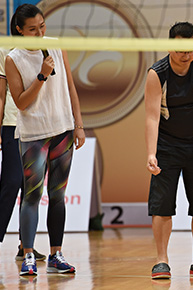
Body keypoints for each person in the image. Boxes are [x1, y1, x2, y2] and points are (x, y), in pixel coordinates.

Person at [5, 4, 85, 276]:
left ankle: (56, 254)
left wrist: (79, 125)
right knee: (31, 195)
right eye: (32, 29)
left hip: (62, 129)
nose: (39, 32)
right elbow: (21, 103)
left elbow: (70, 87)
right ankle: (28, 255)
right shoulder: (13, 58)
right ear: (19, 29)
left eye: (42, 26)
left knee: (58, 196)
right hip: (33, 135)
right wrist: (41, 75)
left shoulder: (56, 47)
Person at [145, 21, 193, 279]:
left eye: (190, 48)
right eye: (180, 49)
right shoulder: (157, 73)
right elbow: (152, 118)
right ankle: (161, 261)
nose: (186, 55)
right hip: (167, 146)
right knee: (162, 207)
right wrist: (151, 153)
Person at [0, 48, 46, 261]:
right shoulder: (5, 53)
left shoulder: (44, 52)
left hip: (37, 124)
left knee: (30, 188)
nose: (38, 32)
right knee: (10, 183)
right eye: (32, 28)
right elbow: (1, 95)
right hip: (11, 124)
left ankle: (25, 245)